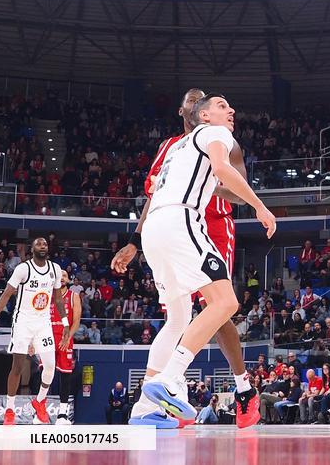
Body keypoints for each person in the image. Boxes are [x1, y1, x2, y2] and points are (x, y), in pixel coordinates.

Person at [113, 88, 262, 430]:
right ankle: (171, 381)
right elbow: (154, 194)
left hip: (210, 224)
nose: (199, 104)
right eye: (193, 100)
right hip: (180, 219)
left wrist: (211, 185)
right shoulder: (172, 146)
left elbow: (234, 188)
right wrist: (133, 240)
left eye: (203, 99)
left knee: (202, 311)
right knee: (216, 305)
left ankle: (235, 388)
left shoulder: (221, 139)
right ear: (186, 111)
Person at [0, 237, 67, 425]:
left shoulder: (55, 269)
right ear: (32, 249)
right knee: (17, 367)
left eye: (45, 244)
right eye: (38, 244)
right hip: (23, 322)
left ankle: (40, 401)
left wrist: (65, 323)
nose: (43, 246)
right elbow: (7, 294)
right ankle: (10, 409)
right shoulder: (23, 269)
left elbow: (58, 299)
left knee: (50, 366)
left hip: (43, 322)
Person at [50, 269, 81, 424]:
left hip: (65, 337)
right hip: (48, 336)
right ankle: (40, 410)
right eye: (59, 275)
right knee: (45, 373)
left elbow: (76, 321)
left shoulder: (73, 296)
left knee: (65, 375)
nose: (61, 278)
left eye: (64, 276)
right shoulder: (48, 294)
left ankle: (62, 413)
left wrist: (67, 337)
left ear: (68, 280)